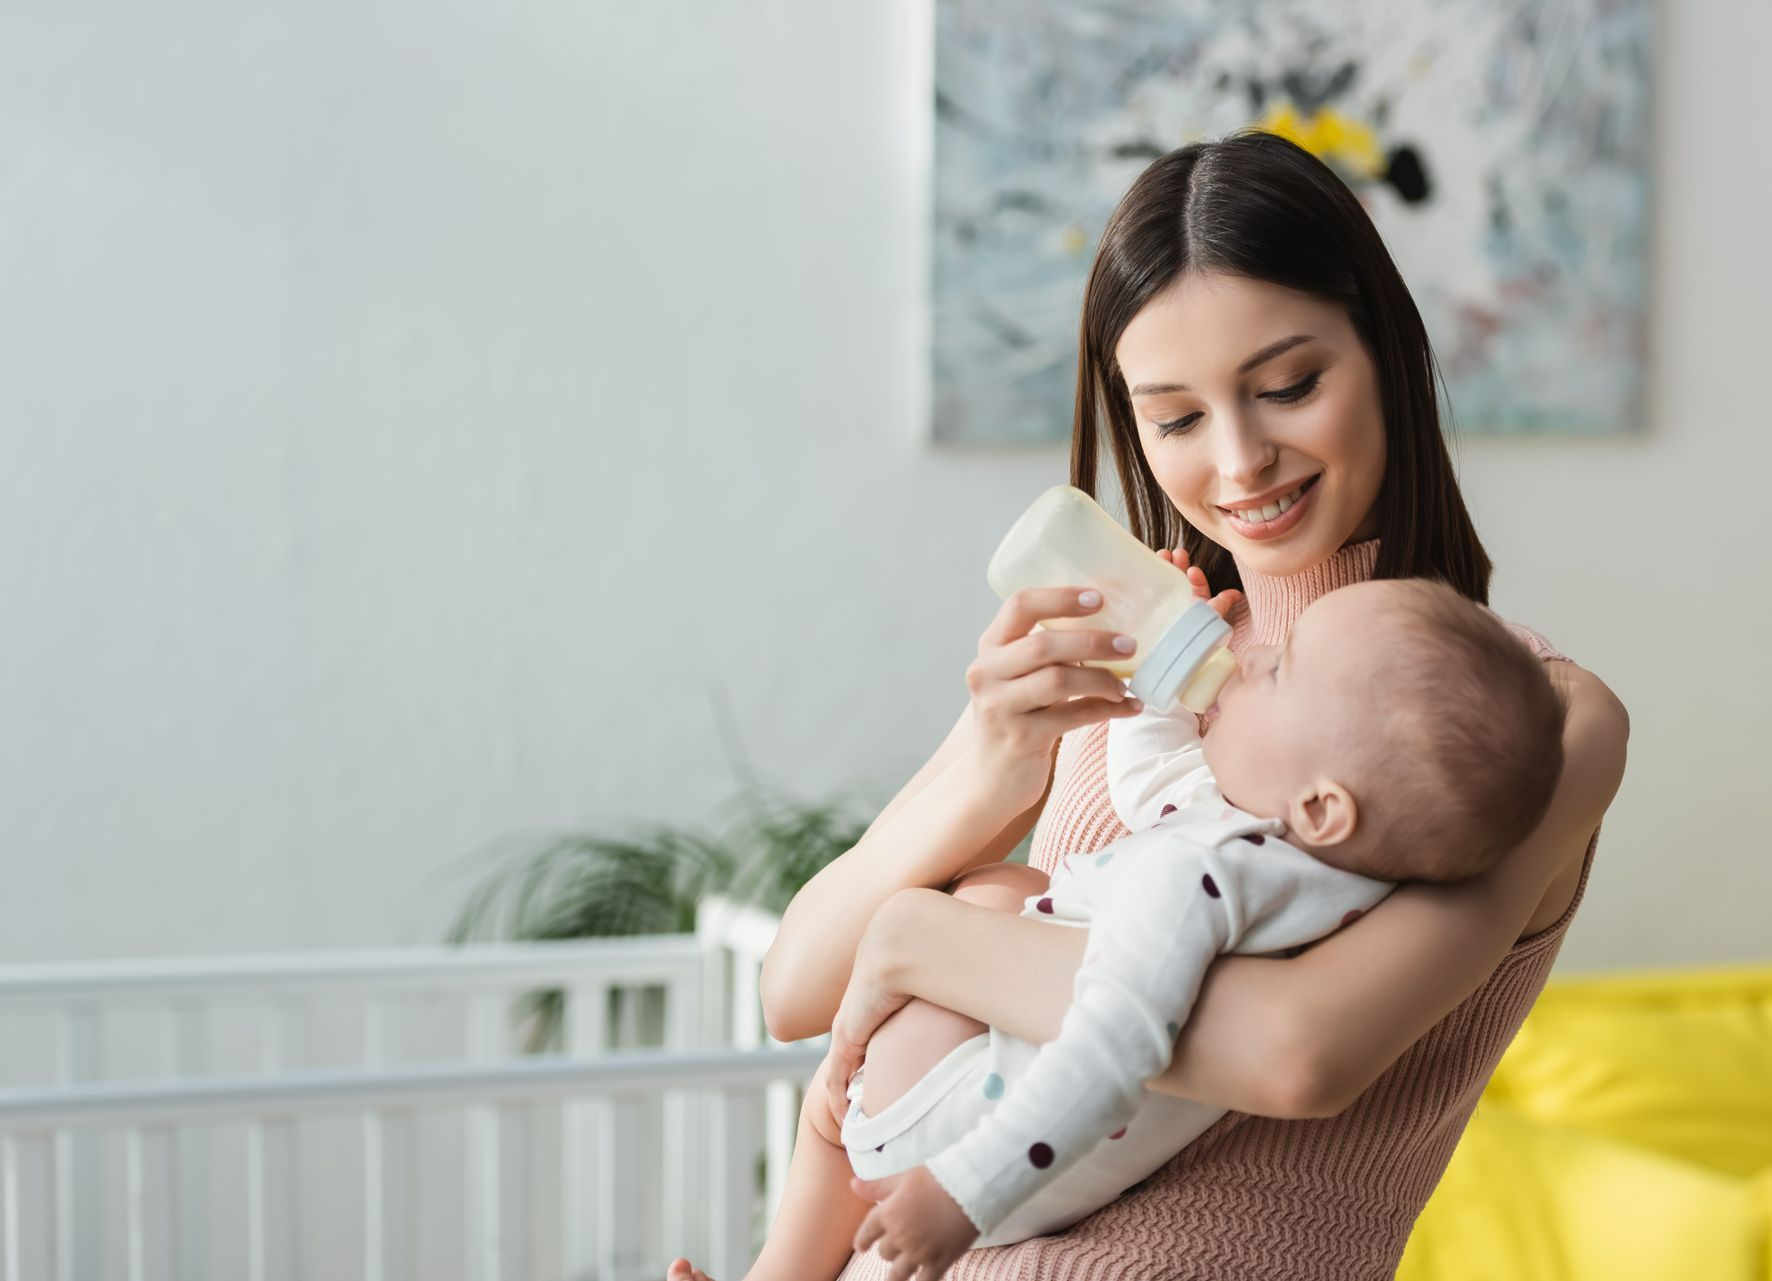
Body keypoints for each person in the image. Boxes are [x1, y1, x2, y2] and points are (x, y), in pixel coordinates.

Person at [674, 127, 1629, 1281]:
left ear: (1383, 352)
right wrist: (992, 766)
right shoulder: (1125, 669)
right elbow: (794, 991)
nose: (1239, 463)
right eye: (1174, 419)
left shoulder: (1533, 722)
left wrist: (930, 940)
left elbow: (1295, 1053)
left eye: (1286, 386)